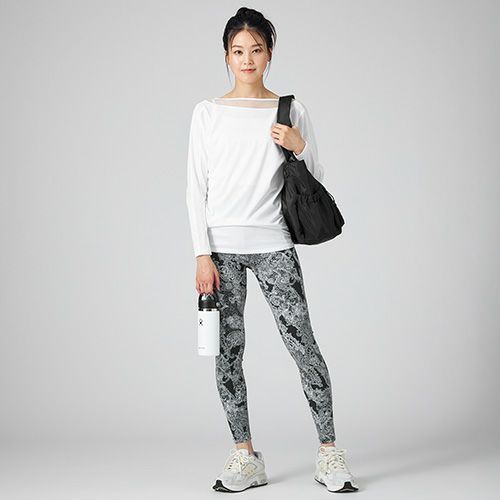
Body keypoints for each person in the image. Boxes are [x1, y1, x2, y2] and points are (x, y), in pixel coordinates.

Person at [185, 6, 359, 494]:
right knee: (228, 352)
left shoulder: (289, 109)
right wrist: (201, 253)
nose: (247, 59)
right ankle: (245, 456)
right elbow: (194, 187)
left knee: (303, 345)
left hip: (274, 244)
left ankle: (329, 453)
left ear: (269, 54)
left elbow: (314, 177)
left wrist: (299, 145)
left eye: (256, 50)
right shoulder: (207, 113)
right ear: (226, 56)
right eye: (238, 51)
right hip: (221, 251)